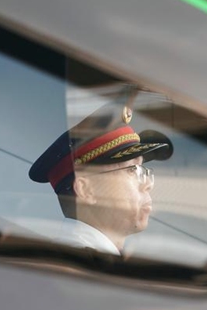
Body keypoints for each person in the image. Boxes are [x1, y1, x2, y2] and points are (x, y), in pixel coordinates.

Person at [28, 98, 173, 255]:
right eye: (132, 170)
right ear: (85, 189)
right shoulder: (76, 266)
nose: (147, 184)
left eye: (143, 170)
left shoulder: (92, 262)